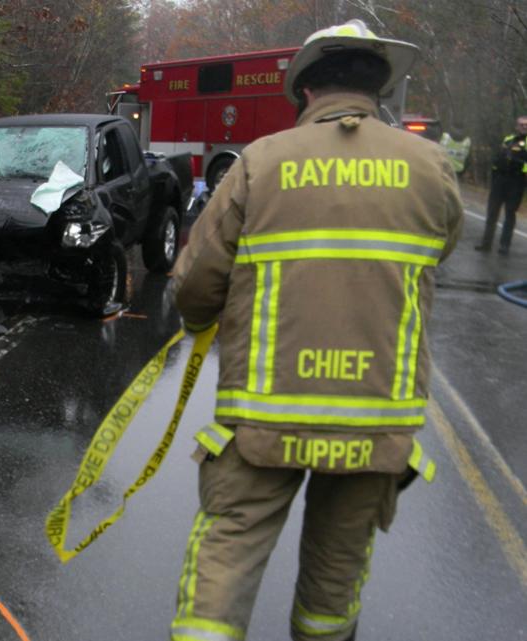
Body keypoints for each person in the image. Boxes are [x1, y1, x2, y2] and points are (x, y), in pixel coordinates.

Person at [167, 19, 462, 641]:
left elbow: (196, 286)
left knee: (225, 561)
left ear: (304, 92)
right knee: (334, 583)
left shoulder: (260, 162)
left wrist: (199, 321)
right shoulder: (432, 167)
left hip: (262, 419)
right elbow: (438, 253)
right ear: (379, 90)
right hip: (374, 424)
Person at [476, 115, 527, 255]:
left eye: (526, 124)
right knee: (492, 213)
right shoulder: (508, 139)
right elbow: (499, 155)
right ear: (516, 126)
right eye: (521, 124)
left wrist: (516, 162)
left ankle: (504, 246)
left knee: (510, 215)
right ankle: (486, 243)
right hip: (500, 181)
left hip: (517, 182)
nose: (524, 127)